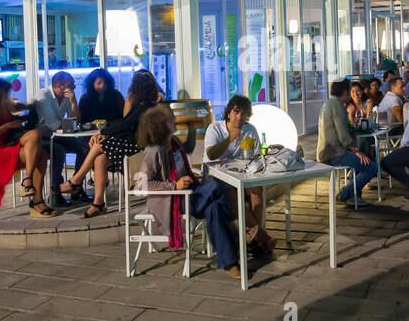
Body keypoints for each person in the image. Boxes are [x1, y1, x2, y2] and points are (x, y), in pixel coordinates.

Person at [137, 104, 250, 279]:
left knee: (215, 208)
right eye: (170, 119)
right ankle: (235, 228)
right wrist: (174, 185)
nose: (175, 120)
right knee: (216, 186)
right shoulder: (154, 151)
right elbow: (143, 185)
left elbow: (185, 160)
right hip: (172, 200)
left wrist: (190, 180)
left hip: (190, 194)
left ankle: (229, 263)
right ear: (160, 125)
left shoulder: (173, 143)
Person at [63, 69, 163, 217]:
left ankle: (75, 181)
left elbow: (126, 123)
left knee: (98, 145)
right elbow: (125, 122)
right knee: (99, 160)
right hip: (131, 144)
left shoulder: (147, 105)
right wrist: (106, 132)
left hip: (140, 149)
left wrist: (103, 132)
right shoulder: (142, 104)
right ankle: (98, 204)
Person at [0, 78, 53, 217]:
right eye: (5, 94)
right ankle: (37, 201)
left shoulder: (3, 104)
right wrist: (7, 126)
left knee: (35, 136)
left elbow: (17, 106)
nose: (7, 97)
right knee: (41, 155)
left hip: (6, 145)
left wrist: (33, 105)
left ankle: (28, 181)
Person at [203, 94, 270, 246]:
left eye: (244, 113)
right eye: (236, 111)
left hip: (242, 175)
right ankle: (260, 236)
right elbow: (211, 154)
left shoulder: (249, 129)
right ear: (228, 113)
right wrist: (230, 139)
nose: (239, 116)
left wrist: (268, 151)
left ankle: (253, 239)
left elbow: (257, 155)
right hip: (216, 177)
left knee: (256, 189)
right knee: (232, 192)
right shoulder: (215, 128)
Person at [318, 79, 377, 206]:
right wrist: (356, 151)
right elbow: (343, 136)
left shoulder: (328, 103)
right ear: (345, 91)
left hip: (325, 152)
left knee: (359, 164)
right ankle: (346, 193)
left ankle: (354, 197)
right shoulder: (338, 106)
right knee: (371, 167)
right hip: (335, 154)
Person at [32, 71, 86, 207]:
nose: (74, 86)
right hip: (39, 138)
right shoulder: (43, 95)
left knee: (85, 147)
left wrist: (73, 103)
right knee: (58, 150)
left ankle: (75, 186)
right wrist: (69, 125)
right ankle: (55, 193)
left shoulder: (67, 97)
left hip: (57, 136)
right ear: (59, 85)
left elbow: (75, 121)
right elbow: (54, 125)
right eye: (71, 83)